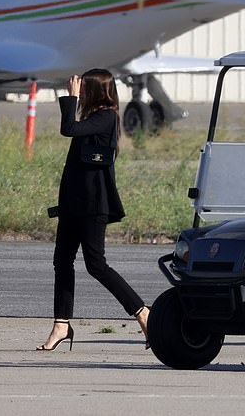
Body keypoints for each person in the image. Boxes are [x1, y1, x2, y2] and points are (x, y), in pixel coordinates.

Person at [38, 69, 150, 352]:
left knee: (96, 265)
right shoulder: (92, 118)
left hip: (93, 205)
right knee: (62, 262)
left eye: (84, 88)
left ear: (97, 92)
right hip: (73, 204)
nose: (80, 92)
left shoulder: (106, 118)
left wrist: (70, 99)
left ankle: (142, 312)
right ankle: (61, 325)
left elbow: (68, 129)